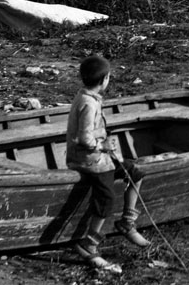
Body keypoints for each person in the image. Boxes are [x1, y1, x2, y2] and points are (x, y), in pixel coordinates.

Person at [64, 54, 150, 273]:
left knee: (135, 173)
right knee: (107, 198)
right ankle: (89, 244)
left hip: (98, 157)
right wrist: (102, 146)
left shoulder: (88, 97)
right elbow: (84, 139)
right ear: (104, 80)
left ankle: (127, 223)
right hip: (88, 160)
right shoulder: (88, 104)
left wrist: (103, 143)